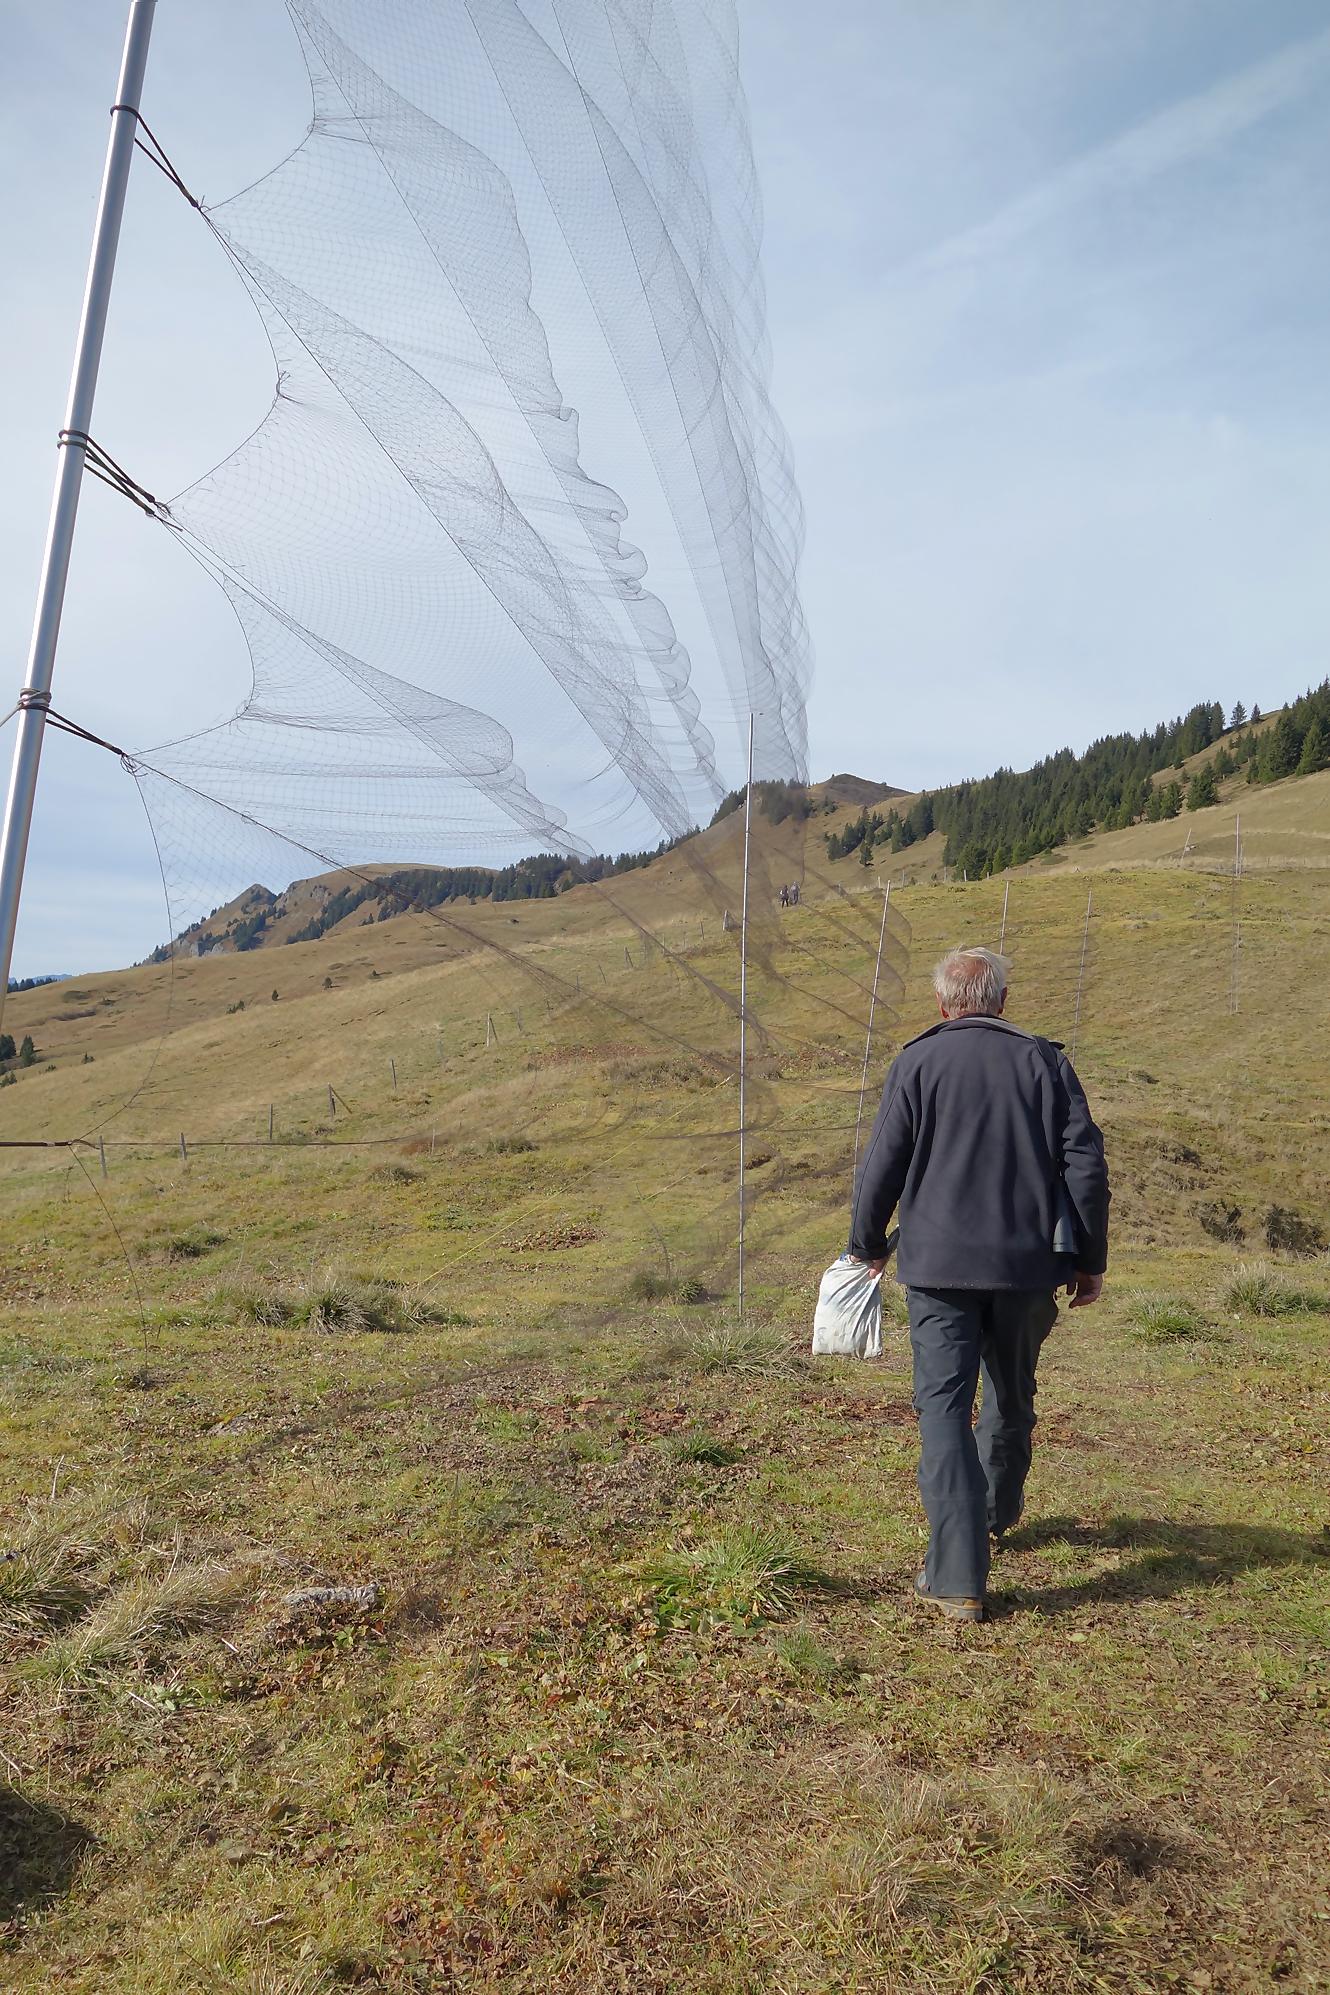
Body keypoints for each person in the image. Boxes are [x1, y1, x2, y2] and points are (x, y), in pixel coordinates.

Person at [848, 945, 1109, 1623]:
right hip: (1028, 1267)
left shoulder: (917, 1061)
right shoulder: (1045, 1061)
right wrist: (1090, 1260)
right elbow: (1085, 1167)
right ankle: (994, 1512)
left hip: (937, 1270)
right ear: (1001, 1001)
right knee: (1011, 1392)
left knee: (943, 1409)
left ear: (942, 1004)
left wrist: (866, 1245)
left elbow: (881, 1163)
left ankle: (958, 1575)